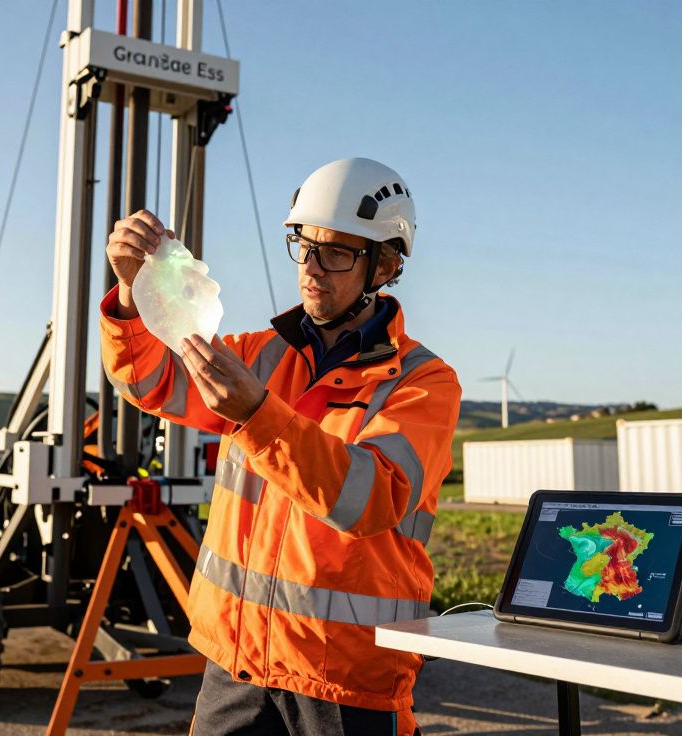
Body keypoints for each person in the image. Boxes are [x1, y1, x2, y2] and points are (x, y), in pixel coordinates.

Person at [100, 157, 461, 735]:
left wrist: (257, 415)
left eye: (337, 251)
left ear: (386, 265)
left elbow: (371, 499)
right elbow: (150, 382)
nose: (312, 269)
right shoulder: (259, 355)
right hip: (235, 667)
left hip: (345, 682)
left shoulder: (422, 383)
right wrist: (128, 290)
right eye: (305, 246)